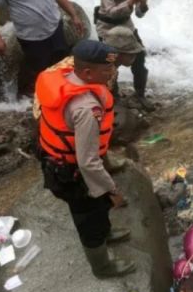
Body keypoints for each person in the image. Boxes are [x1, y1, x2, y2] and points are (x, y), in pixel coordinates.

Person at [33, 40, 135, 278]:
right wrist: (112, 190)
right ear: (88, 72)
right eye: (107, 69)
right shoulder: (86, 109)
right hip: (73, 176)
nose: (112, 72)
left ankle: (106, 230)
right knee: (89, 221)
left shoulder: (68, 74)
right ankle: (102, 267)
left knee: (98, 210)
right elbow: (88, 163)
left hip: (56, 162)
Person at [94, 0, 155, 112]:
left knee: (140, 59)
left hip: (127, 24)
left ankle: (140, 94)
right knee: (110, 63)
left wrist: (143, 2)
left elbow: (140, 15)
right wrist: (130, 0)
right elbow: (110, 11)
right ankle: (113, 97)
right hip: (107, 26)